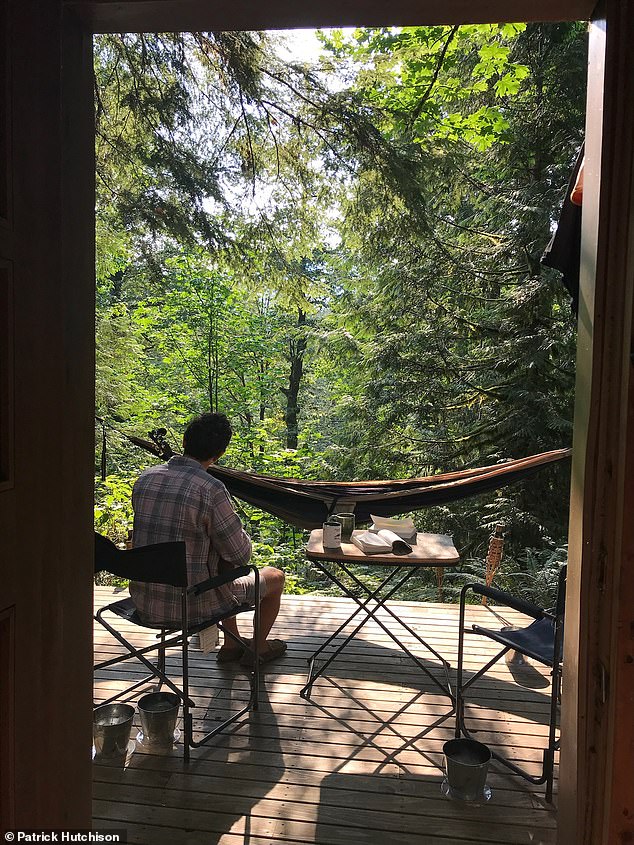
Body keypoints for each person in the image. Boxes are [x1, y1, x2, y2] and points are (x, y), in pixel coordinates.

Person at [130, 412, 286, 665]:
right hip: (193, 606)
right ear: (220, 454)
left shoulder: (145, 480)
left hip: (144, 601)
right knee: (274, 578)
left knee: (218, 567)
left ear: (184, 442)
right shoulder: (210, 489)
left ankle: (231, 643)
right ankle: (259, 649)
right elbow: (240, 554)